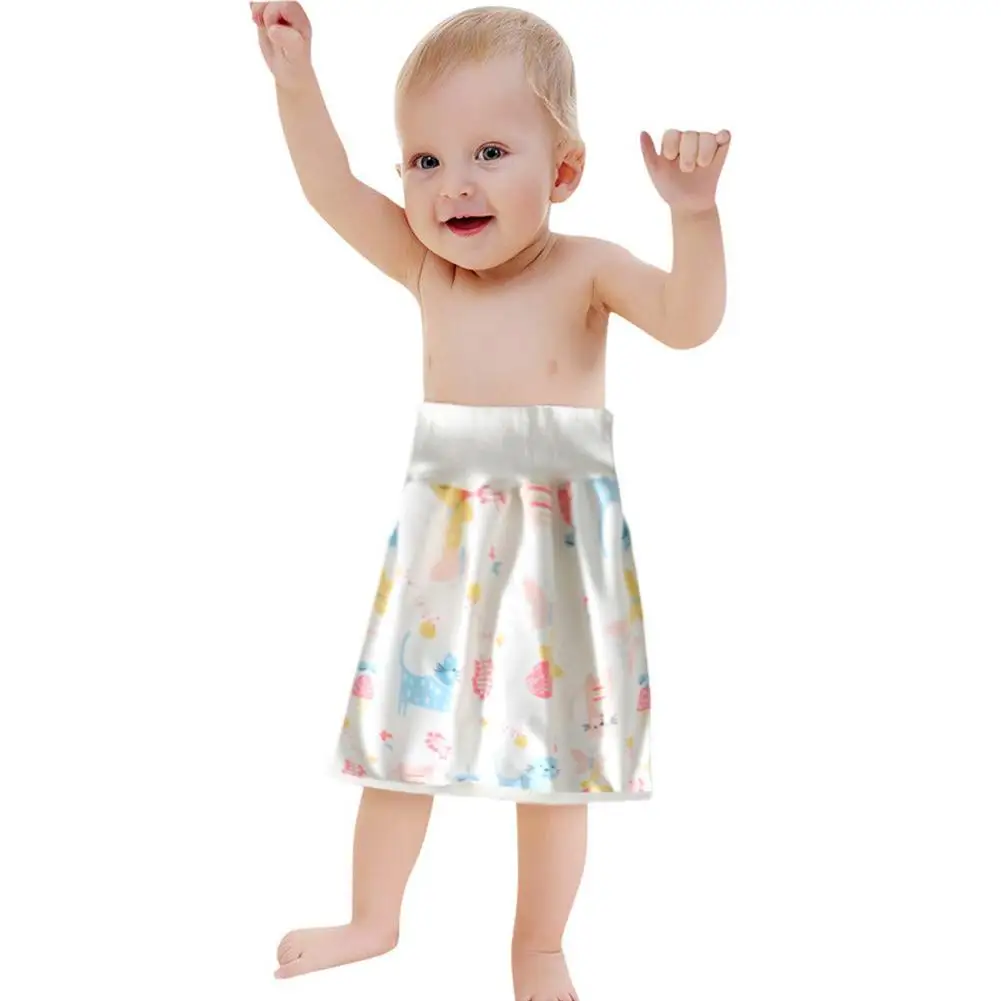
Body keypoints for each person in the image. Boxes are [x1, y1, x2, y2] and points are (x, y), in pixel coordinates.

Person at [250, 3, 728, 997]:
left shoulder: (587, 267)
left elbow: (687, 322)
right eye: (423, 161)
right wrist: (296, 78)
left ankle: (537, 944)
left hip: (560, 542)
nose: (452, 183)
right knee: (397, 734)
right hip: (444, 531)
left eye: (489, 152)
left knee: (557, 764)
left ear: (563, 171)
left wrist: (693, 216)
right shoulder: (428, 268)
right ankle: (374, 916)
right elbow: (328, 186)